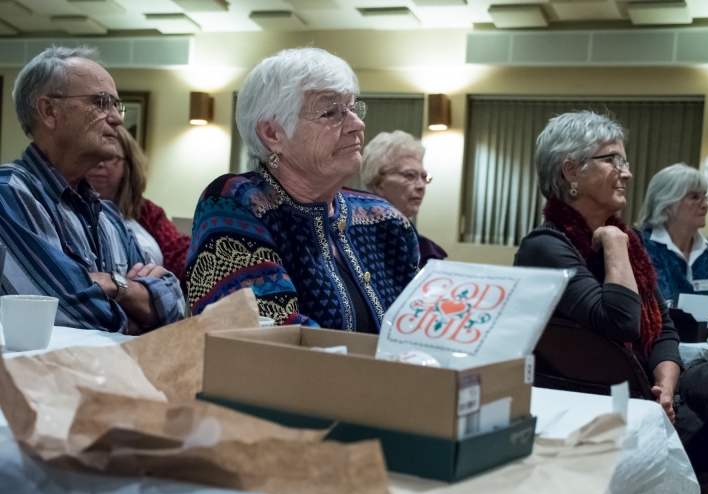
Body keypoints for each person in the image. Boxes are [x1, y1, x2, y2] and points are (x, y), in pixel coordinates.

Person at [514, 111, 708, 473]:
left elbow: (664, 328)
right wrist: (613, 241)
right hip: (593, 406)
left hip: (644, 390)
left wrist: (666, 387)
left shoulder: (630, 243)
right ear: (570, 171)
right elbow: (622, 321)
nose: (626, 172)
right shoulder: (545, 247)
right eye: (612, 160)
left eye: (623, 161)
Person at [186, 48, 419, 331]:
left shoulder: (385, 220)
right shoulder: (235, 203)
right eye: (331, 112)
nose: (357, 125)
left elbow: (421, 327)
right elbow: (271, 336)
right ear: (272, 133)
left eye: (353, 109)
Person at [0, 46, 184, 334]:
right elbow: (63, 309)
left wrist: (112, 284)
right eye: (101, 102)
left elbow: (174, 303)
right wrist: (137, 317)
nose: (118, 119)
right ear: (49, 112)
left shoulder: (109, 215)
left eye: (116, 105)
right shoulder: (9, 194)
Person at [86, 126, 191, 291]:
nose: (99, 164)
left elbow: (179, 254)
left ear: (127, 166)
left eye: (110, 157)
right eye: (93, 155)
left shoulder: (146, 212)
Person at [361, 130, 447, 268]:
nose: (421, 186)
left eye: (424, 177)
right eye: (410, 175)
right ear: (379, 184)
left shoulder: (427, 252)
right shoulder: (356, 242)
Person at [636, 163, 708, 305]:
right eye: (694, 197)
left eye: (705, 197)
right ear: (667, 204)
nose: (705, 205)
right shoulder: (640, 247)